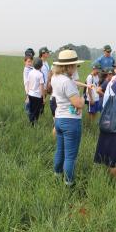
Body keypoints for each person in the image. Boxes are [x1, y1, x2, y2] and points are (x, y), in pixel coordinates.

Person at [51, 49, 85, 186]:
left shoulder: (55, 78)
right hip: (71, 122)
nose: (76, 68)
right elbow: (77, 104)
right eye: (75, 65)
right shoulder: (67, 82)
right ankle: (69, 183)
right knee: (70, 156)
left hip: (59, 119)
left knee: (60, 151)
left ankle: (57, 175)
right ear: (69, 66)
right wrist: (83, 99)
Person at [27, 58, 45, 125]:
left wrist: (28, 94)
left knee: (31, 109)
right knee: (36, 110)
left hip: (30, 94)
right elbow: (41, 87)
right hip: (37, 95)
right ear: (41, 66)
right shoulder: (40, 74)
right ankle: (34, 123)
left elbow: (28, 83)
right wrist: (43, 97)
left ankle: (31, 122)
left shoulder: (30, 72)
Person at [39, 47, 51, 114]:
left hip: (46, 86)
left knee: (43, 103)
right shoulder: (39, 62)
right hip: (41, 87)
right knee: (39, 103)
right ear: (43, 53)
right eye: (47, 52)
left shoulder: (46, 62)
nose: (48, 54)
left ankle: (41, 115)